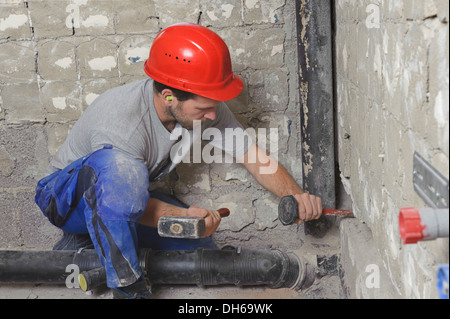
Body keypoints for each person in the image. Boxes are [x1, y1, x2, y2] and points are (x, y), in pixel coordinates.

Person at [34, 23, 322, 298]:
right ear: (169, 96)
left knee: (199, 246)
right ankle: (128, 288)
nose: (212, 115)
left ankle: (88, 249)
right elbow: (119, 194)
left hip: (127, 195)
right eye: (203, 108)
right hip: (65, 199)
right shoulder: (121, 120)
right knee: (126, 175)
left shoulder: (205, 107)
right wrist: (182, 216)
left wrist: (295, 197)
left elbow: (254, 157)